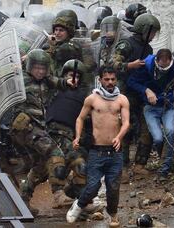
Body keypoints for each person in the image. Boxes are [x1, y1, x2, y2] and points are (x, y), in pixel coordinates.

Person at [9, 49, 76, 213]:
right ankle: (58, 193)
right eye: (36, 67)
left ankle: (22, 202)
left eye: (43, 68)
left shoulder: (45, 80)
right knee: (55, 153)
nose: (40, 71)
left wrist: (66, 82)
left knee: (41, 166)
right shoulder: (20, 80)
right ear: (29, 67)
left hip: (39, 127)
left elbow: (56, 81)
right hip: (26, 127)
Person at [66, 66, 130, 227]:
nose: (109, 82)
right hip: (97, 151)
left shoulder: (122, 99)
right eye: (106, 79)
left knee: (113, 186)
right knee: (93, 186)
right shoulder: (92, 99)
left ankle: (113, 215)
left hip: (115, 152)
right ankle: (79, 204)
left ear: (116, 80)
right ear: (100, 80)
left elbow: (127, 122)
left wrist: (119, 136)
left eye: (112, 79)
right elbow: (80, 118)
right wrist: (78, 136)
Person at [127, 48, 174, 181]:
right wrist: (146, 90)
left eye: (166, 66)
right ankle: (164, 157)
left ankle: (165, 168)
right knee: (157, 138)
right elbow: (131, 82)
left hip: (168, 105)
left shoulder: (173, 64)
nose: (164, 69)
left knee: (169, 131)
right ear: (157, 61)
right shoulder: (146, 65)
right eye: (161, 66)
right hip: (150, 107)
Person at [111, 13, 160, 176]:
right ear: (143, 30)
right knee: (126, 128)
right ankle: (122, 166)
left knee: (147, 127)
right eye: (152, 33)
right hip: (125, 92)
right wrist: (129, 65)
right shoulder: (126, 45)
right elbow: (113, 65)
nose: (153, 36)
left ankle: (140, 163)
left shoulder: (149, 48)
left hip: (141, 91)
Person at [46, 59, 88, 199]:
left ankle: (80, 198)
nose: (73, 78)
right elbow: (46, 77)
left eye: (77, 76)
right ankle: (58, 195)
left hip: (70, 135)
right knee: (57, 164)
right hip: (50, 132)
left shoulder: (84, 97)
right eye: (70, 75)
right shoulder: (54, 89)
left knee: (80, 164)